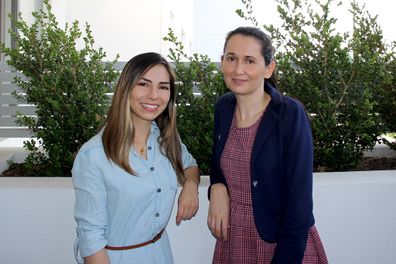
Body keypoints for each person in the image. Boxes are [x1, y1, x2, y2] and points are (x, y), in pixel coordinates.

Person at [207, 27, 328, 264]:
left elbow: (299, 200)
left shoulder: (289, 115)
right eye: (231, 58)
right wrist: (217, 188)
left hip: (281, 243)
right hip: (235, 241)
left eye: (250, 61)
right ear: (222, 62)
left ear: (269, 67)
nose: (238, 69)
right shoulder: (223, 108)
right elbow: (220, 166)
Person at [72, 52, 200, 264]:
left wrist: (190, 186)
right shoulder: (93, 156)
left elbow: (190, 166)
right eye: (143, 84)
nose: (153, 95)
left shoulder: (167, 139)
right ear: (126, 88)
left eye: (163, 87)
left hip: (162, 253)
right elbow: (91, 240)